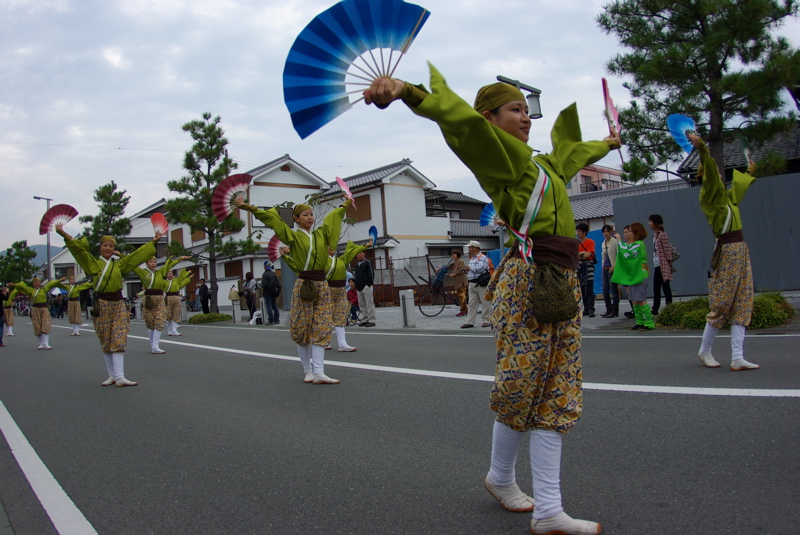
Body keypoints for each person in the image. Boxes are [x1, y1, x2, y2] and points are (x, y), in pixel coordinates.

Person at [364, 66, 619, 535]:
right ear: (491, 118)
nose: (525, 118)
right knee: (522, 386)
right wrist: (407, 93)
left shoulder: (542, 165)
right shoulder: (501, 161)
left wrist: (607, 143)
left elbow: (571, 154)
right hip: (527, 281)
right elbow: (463, 125)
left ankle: (544, 507)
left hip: (561, 284)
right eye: (515, 109)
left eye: (527, 109)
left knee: (558, 390)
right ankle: (508, 482)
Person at [236, 197, 351, 384]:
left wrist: (345, 205)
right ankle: (308, 371)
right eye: (305, 215)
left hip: (322, 285)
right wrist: (249, 207)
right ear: (296, 219)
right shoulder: (293, 236)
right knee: (302, 328)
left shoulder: (320, 235)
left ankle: (320, 372)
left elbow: (333, 219)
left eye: (311, 214)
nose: (310, 217)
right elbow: (275, 222)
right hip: (304, 284)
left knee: (322, 326)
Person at [56, 226, 162, 386]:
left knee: (119, 336)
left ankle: (120, 376)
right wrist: (64, 233)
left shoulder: (119, 265)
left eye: (111, 246)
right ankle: (112, 375)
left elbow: (135, 257)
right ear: (100, 247)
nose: (108, 248)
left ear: (114, 249)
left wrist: (153, 241)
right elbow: (79, 252)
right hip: (102, 304)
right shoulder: (93, 264)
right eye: (105, 245)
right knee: (105, 338)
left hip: (118, 304)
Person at [689, 133, 759, 371]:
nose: (720, 175)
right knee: (721, 304)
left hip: (741, 250)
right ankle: (704, 350)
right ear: (707, 177)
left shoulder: (726, 199)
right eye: (715, 173)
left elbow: (737, 189)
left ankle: (737, 356)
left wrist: (750, 172)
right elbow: (713, 178)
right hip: (728, 251)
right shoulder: (709, 197)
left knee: (742, 301)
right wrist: (703, 150)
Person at [134, 255, 186, 354]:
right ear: (146, 264)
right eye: (151, 262)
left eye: (154, 262)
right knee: (150, 322)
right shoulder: (142, 272)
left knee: (160, 320)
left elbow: (169, 265)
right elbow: (131, 264)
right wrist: (121, 255)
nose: (153, 264)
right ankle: (153, 345)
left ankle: (156, 346)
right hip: (148, 299)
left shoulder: (160, 272)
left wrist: (180, 259)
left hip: (160, 299)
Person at [612, 223, 654, 330]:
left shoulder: (639, 244)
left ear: (636, 233)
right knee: (634, 300)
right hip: (633, 275)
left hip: (640, 274)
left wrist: (619, 240)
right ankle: (639, 322)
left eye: (629, 231)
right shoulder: (632, 244)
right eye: (626, 232)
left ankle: (649, 323)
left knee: (640, 299)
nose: (627, 233)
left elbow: (627, 251)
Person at [326, 242, 368, 351]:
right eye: (330, 245)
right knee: (326, 316)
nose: (333, 247)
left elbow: (352, 251)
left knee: (341, 315)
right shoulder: (321, 260)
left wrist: (366, 246)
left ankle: (342, 343)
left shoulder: (341, 260)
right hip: (327, 289)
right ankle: (325, 341)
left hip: (341, 290)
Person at [10, 276, 67, 349]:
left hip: (44, 308)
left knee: (45, 324)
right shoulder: (30, 290)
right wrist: (14, 285)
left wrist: (59, 280)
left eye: (38, 282)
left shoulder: (44, 289)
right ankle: (41, 343)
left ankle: (46, 343)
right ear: (33, 284)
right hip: (35, 309)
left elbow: (51, 284)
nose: (37, 284)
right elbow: (22, 287)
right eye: (36, 282)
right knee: (37, 326)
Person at [647, 214, 674, 315]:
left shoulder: (662, 235)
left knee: (664, 287)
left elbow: (667, 250)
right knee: (659, 287)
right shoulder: (655, 235)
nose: (649, 224)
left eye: (650, 222)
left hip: (662, 264)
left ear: (656, 223)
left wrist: (669, 264)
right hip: (657, 263)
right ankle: (658, 308)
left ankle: (666, 307)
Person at [462, 240, 491, 328]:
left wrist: (469, 268)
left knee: (485, 302)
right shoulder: (472, 258)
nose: (468, 249)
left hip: (481, 283)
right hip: (472, 283)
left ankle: (487, 320)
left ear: (474, 248)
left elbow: (481, 268)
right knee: (471, 303)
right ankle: (469, 321)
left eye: (470, 247)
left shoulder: (482, 257)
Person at [575, 223, 596, 317]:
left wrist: (581, 254)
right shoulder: (577, 243)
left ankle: (591, 308)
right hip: (579, 267)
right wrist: (583, 253)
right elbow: (578, 255)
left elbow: (588, 255)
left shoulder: (590, 241)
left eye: (579, 231)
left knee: (589, 287)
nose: (577, 233)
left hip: (588, 267)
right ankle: (586, 308)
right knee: (582, 288)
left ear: (584, 232)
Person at [164, 269, 193, 336]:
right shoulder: (164, 282)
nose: (171, 275)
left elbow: (182, 279)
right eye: (169, 274)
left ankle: (174, 330)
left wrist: (188, 277)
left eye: (171, 274)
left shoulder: (176, 281)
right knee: (169, 315)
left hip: (176, 298)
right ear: (166, 275)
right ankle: (169, 330)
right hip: (168, 298)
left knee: (176, 314)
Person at [599, 224, 619, 318]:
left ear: (611, 231)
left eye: (607, 231)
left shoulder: (614, 242)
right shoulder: (603, 243)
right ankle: (608, 309)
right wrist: (602, 269)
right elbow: (603, 258)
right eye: (604, 231)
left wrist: (614, 266)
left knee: (613, 290)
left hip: (612, 269)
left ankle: (615, 310)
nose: (605, 233)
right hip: (605, 269)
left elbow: (619, 255)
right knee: (604, 290)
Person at [354, 250, 376, 327]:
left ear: (364, 253)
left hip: (366, 286)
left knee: (369, 303)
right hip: (359, 287)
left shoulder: (367, 262)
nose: (358, 255)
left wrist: (368, 284)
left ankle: (372, 320)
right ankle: (365, 319)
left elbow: (371, 274)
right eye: (357, 253)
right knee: (362, 304)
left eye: (360, 253)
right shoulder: (357, 264)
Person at [447, 250, 468, 316]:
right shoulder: (455, 263)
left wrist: (454, 274)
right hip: (457, 282)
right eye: (452, 255)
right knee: (460, 296)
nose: (453, 256)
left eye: (454, 254)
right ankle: (465, 309)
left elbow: (462, 270)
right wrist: (439, 269)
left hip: (462, 281)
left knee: (462, 296)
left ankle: (463, 310)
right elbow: (447, 267)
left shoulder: (460, 261)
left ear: (457, 255)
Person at [261, 261, 281, 325]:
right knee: (274, 305)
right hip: (274, 292)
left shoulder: (265, 274)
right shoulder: (273, 274)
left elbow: (264, 285)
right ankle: (277, 319)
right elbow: (277, 282)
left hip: (267, 292)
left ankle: (271, 320)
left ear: (265, 266)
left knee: (269, 306)